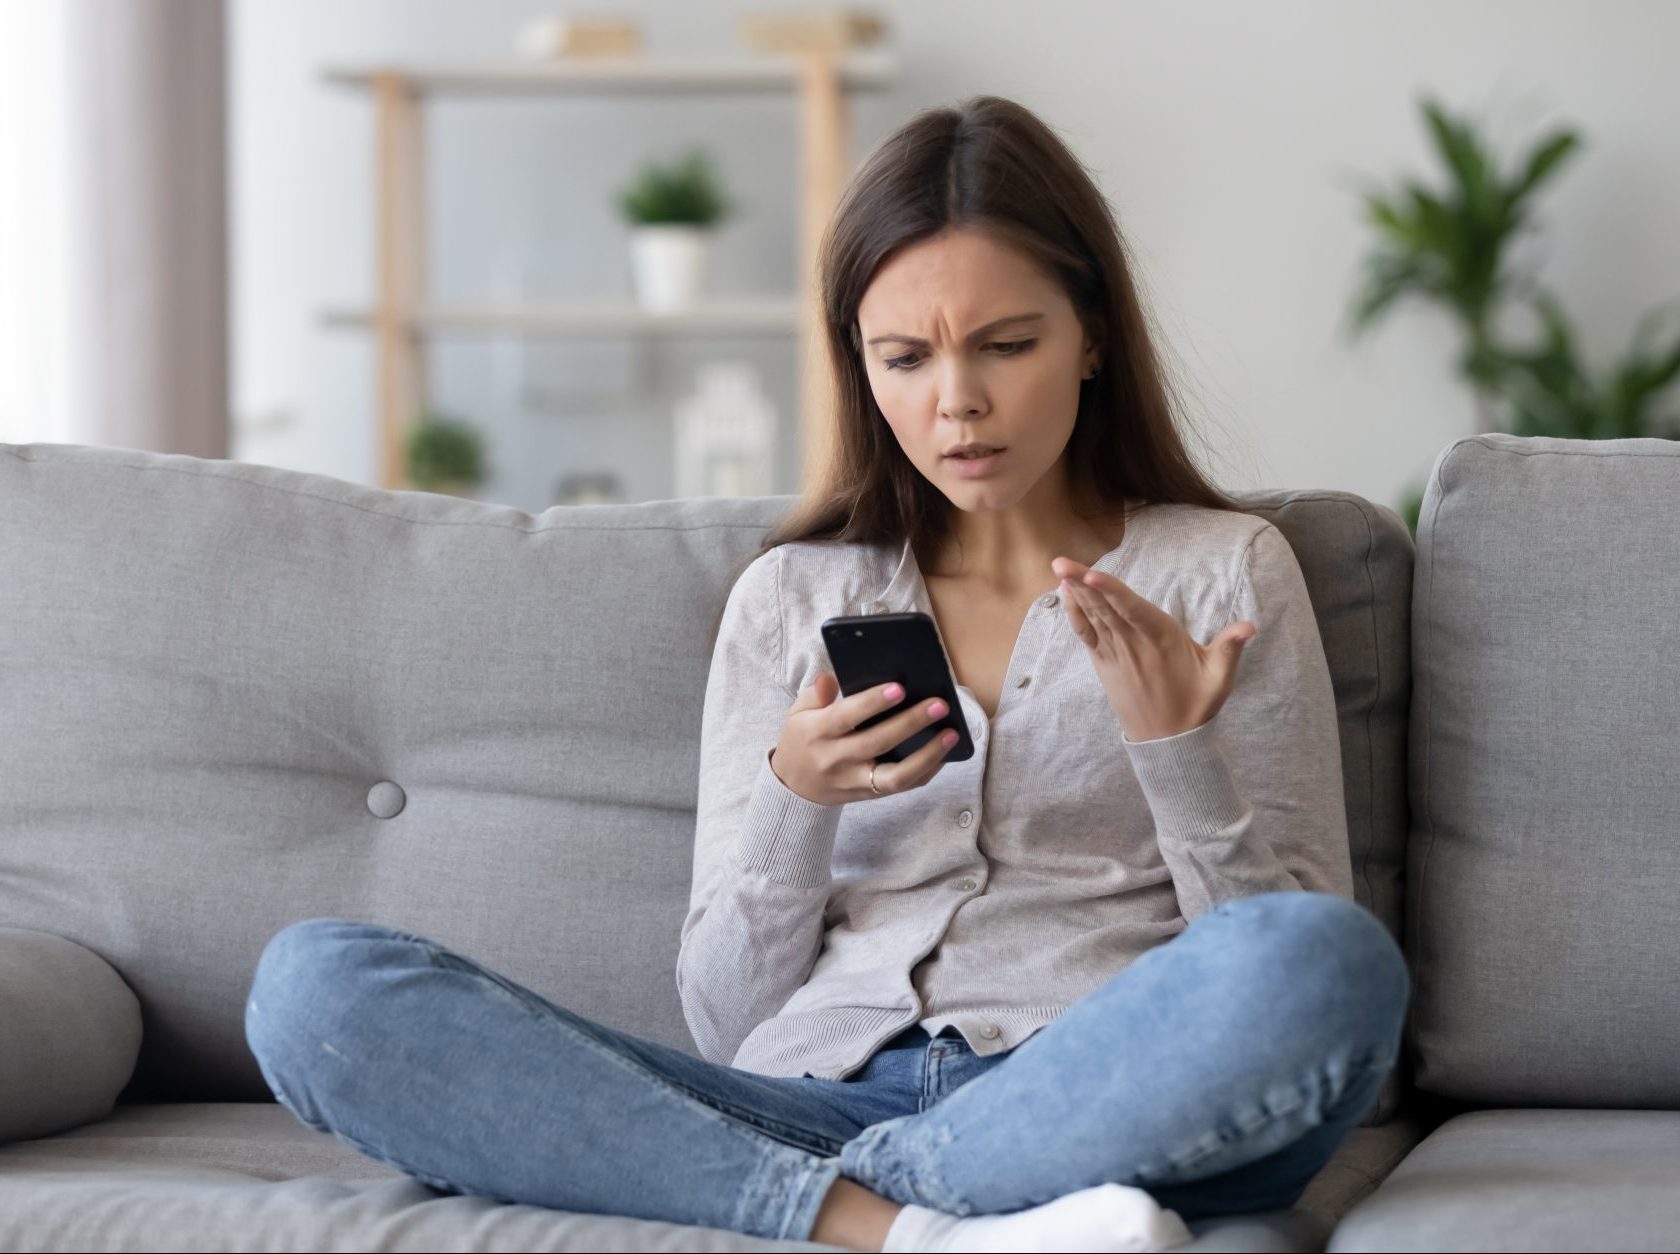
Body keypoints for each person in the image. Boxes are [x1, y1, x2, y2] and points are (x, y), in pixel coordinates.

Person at [243, 95, 1410, 1253]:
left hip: (1092, 1099)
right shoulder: (794, 599)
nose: (958, 401)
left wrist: (1177, 756)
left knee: (1329, 961)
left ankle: (857, 1199)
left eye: (1008, 344)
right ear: (860, 363)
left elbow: (1280, 959)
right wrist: (792, 806)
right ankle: (919, 1229)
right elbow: (727, 1016)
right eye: (905, 357)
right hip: (809, 1100)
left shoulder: (1222, 574)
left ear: (1093, 335)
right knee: (316, 989)